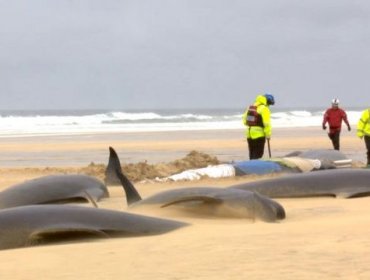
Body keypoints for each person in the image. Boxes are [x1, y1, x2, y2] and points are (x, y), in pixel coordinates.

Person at [242, 93, 275, 159]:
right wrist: (268, 135)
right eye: (269, 104)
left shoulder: (251, 107)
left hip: (249, 134)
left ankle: (250, 166)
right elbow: (266, 124)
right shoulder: (264, 109)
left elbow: (244, 121)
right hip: (259, 134)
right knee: (258, 154)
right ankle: (255, 167)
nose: (269, 106)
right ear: (267, 102)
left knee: (252, 153)